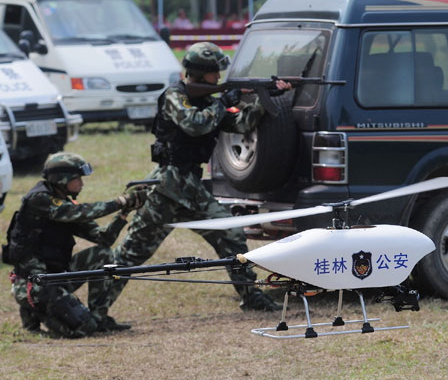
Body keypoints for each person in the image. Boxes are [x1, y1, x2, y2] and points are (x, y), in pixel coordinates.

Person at [104, 42, 291, 313]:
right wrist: (224, 101)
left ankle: (250, 296)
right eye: (215, 72)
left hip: (190, 189)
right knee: (131, 253)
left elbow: (241, 123)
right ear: (201, 74)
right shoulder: (175, 96)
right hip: (168, 188)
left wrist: (265, 98)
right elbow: (194, 124)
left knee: (232, 235)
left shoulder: (209, 101)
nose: (219, 77)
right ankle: (95, 310)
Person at [4, 152, 146, 338]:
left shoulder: (65, 204)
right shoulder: (40, 199)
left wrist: (124, 213)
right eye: (78, 178)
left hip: (57, 276)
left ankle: (99, 317)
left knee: (102, 254)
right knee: (83, 329)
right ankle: (37, 311)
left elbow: (103, 239)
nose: (82, 183)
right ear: (62, 179)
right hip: (36, 284)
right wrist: (120, 201)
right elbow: (76, 212)